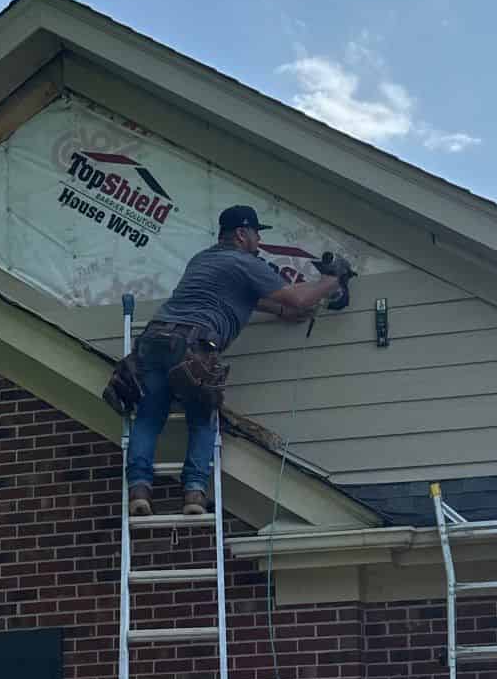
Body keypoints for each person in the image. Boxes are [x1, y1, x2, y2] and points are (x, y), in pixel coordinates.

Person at [126, 205, 347, 517]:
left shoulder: (203, 260)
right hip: (193, 343)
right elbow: (297, 297)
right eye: (256, 233)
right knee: (202, 418)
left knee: (149, 417)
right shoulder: (245, 263)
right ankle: (194, 492)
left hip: (155, 338)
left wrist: (283, 313)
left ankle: (138, 489)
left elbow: (248, 298)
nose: (258, 240)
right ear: (242, 234)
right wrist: (332, 281)